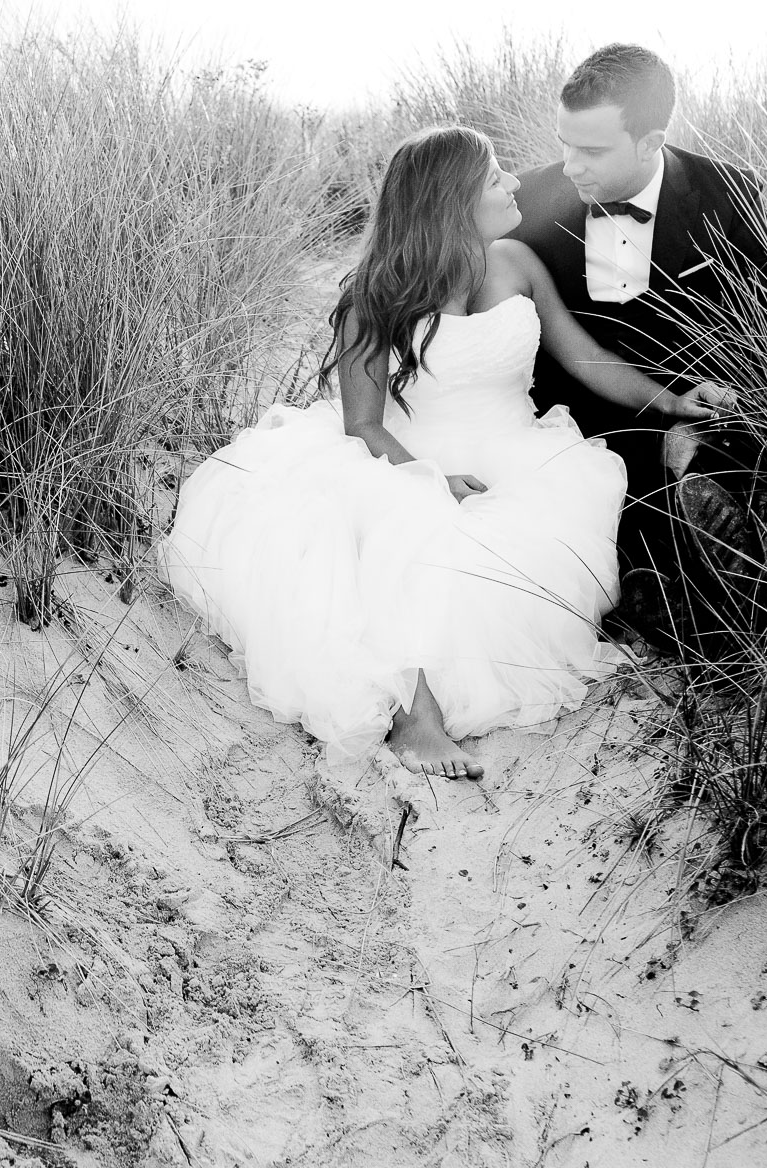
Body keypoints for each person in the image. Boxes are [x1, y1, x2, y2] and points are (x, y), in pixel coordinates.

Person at [161, 126, 734, 779]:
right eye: (494, 178)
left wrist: (671, 401)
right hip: (402, 455)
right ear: (451, 199)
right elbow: (364, 427)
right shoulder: (372, 299)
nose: (513, 183)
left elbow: (582, 356)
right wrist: (430, 478)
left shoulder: (516, 263)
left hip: (520, 457)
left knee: (514, 554)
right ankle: (417, 718)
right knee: (405, 524)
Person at [506, 43, 767, 643]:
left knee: (730, 451)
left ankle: (716, 565)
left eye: (592, 150)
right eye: (565, 144)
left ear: (650, 140)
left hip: (690, 394)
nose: (572, 165)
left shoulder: (729, 194)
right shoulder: (527, 199)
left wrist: (722, 386)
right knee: (593, 487)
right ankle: (655, 584)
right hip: (573, 401)